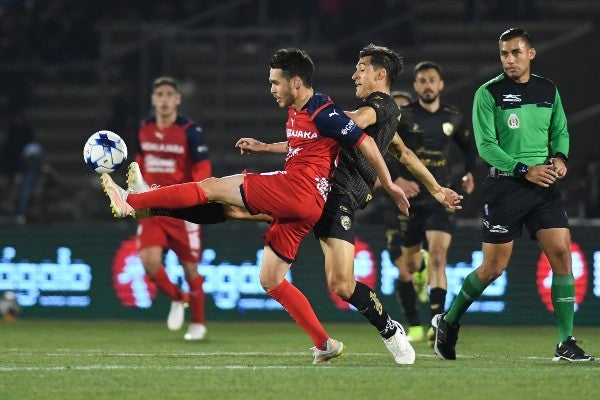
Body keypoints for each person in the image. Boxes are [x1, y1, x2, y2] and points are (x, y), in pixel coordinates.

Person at [126, 44, 463, 365]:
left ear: (379, 74)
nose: (354, 75)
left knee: (341, 284)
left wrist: (392, 184)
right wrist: (436, 188)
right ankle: (151, 203)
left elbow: (349, 127)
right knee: (237, 219)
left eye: (361, 69)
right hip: (311, 192)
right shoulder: (366, 117)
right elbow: (392, 150)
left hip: (337, 199)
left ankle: (389, 329)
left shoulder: (379, 106)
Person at [432, 28, 595, 362]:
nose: (509, 59)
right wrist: (523, 169)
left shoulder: (548, 89)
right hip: (505, 187)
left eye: (516, 52)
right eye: (504, 54)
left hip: (544, 186)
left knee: (562, 254)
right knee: (492, 268)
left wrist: (560, 158)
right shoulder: (488, 93)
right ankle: (448, 321)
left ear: (531, 54)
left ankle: (565, 341)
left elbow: (560, 130)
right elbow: (486, 147)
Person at [387, 61, 477, 344]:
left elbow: (468, 147)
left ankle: (437, 321)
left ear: (440, 84)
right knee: (412, 265)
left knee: (439, 257)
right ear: (416, 86)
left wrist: (469, 172)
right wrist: (397, 180)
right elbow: (381, 147)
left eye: (432, 80)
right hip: (412, 198)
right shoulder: (403, 116)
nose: (427, 85)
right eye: (422, 81)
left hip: (441, 194)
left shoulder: (453, 116)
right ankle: (420, 267)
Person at [131, 76, 212, 341]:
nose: (164, 99)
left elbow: (202, 167)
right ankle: (178, 297)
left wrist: (197, 197)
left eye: (169, 94)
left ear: (177, 99)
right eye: (160, 95)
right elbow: (140, 159)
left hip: (182, 209)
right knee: (149, 263)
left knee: (190, 269)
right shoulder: (143, 128)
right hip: (153, 207)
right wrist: (138, 187)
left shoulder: (190, 131)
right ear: (153, 100)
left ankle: (198, 323)